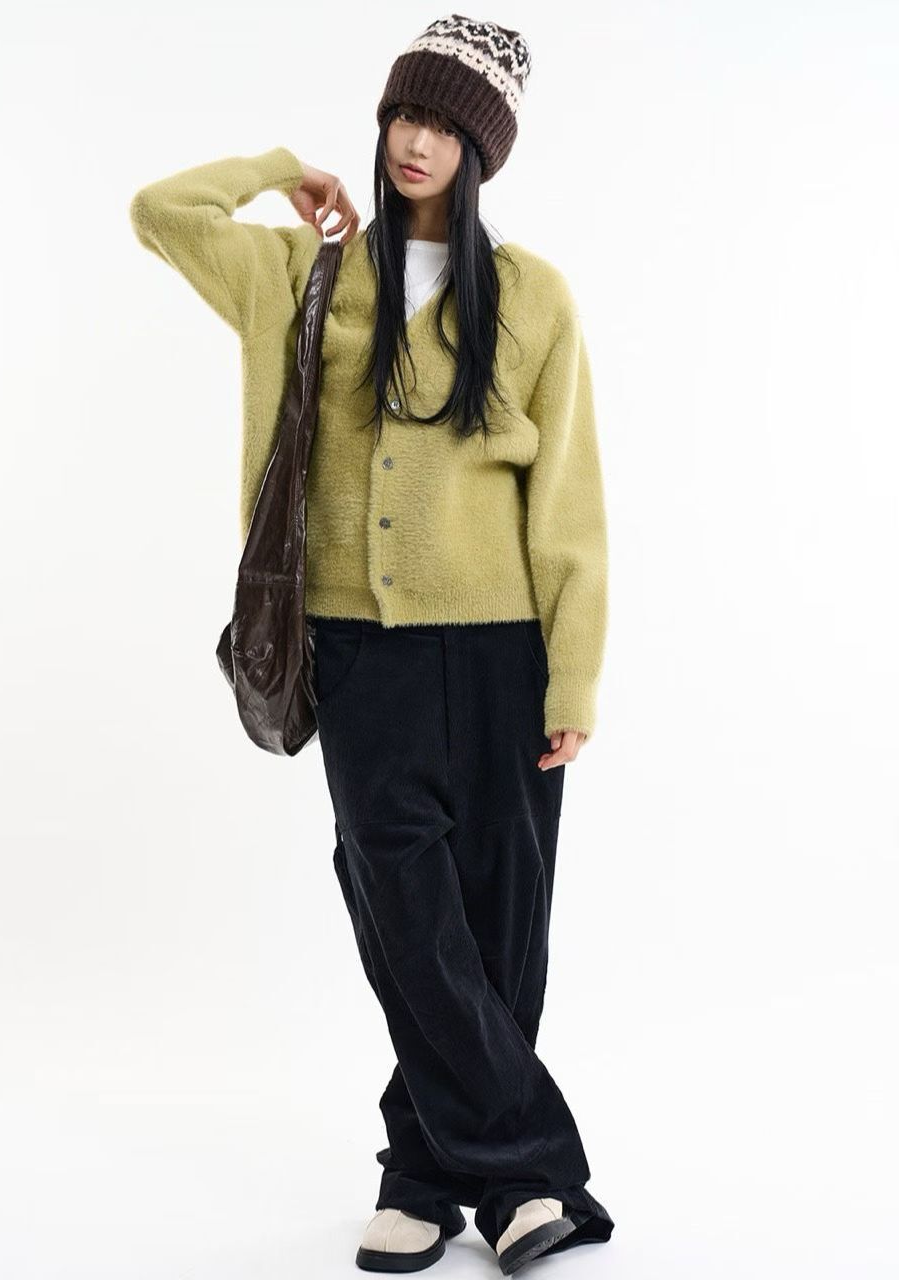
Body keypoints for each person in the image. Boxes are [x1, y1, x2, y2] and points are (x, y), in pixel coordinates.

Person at [129, 13, 613, 1275]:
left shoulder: (534, 296)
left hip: (503, 650)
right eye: (406, 112)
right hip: (357, 650)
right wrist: (277, 169)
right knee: (405, 916)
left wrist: (572, 671)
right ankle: (528, 1172)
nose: (416, 141)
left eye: (446, 125)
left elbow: (567, 503)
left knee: (498, 923)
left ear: (480, 152)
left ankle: (424, 1173)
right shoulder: (300, 271)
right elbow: (160, 213)